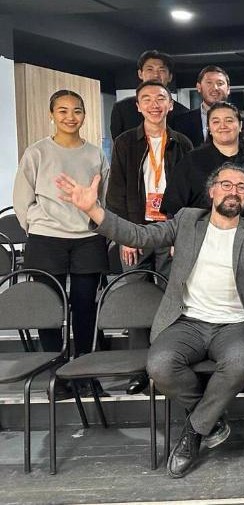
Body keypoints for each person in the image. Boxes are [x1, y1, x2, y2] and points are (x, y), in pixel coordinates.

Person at [55, 162, 244, 479]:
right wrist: (93, 209)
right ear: (212, 190)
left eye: (241, 187)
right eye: (226, 184)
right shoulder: (187, 220)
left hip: (237, 326)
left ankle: (193, 433)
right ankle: (210, 422)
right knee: (159, 365)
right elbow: (139, 234)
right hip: (187, 322)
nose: (233, 191)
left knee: (240, 362)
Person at [13, 90, 110, 399]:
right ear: (51, 115)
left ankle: (85, 373)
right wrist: (36, 225)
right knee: (50, 307)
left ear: (84, 115)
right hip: (46, 238)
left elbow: (104, 197)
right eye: (63, 111)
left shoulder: (95, 154)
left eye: (77, 111)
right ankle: (57, 374)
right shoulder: (37, 152)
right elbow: (22, 199)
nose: (71, 117)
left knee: (85, 307)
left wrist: (97, 224)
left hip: (87, 239)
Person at [107, 80, 193, 394]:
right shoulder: (125, 142)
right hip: (136, 230)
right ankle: (139, 368)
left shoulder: (182, 142)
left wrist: (179, 234)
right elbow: (116, 191)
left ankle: (168, 362)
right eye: (147, 99)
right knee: (136, 296)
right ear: (138, 106)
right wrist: (124, 236)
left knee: (173, 297)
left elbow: (188, 192)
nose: (154, 105)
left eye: (160, 99)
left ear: (170, 105)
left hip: (170, 230)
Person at [161, 101, 244, 219]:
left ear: (240, 125)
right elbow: (173, 208)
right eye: (216, 122)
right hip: (200, 229)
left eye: (229, 120)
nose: (223, 126)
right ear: (209, 128)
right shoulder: (191, 161)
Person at [110, 50, 189, 140]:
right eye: (150, 69)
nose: (155, 75)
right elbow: (118, 144)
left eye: (161, 70)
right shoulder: (122, 108)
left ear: (170, 77)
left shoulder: (183, 113)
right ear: (140, 74)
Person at [173, 65, 237, 147]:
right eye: (209, 83)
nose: (215, 88)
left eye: (220, 83)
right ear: (199, 87)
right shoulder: (181, 122)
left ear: (228, 89)